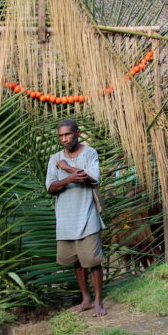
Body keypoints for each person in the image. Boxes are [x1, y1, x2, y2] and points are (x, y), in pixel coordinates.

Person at [45, 119, 106, 317]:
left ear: (77, 133)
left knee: (93, 260)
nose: (64, 139)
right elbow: (51, 187)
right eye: (61, 136)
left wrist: (67, 168)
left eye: (68, 134)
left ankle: (98, 301)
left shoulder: (90, 153)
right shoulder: (54, 158)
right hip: (65, 218)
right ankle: (86, 299)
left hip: (87, 214)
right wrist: (69, 178)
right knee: (77, 261)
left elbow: (92, 177)